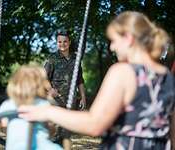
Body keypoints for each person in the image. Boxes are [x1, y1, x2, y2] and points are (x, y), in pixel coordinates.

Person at [19, 11, 175, 150]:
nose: (112, 47)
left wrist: (47, 111)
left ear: (128, 38)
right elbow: (171, 129)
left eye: (114, 40)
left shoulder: (123, 71)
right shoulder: (168, 76)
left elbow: (95, 124)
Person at [0, 64, 63, 150]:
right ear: (40, 85)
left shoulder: (6, 105)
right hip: (40, 146)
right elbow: (50, 127)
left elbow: (4, 125)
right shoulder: (43, 104)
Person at [43, 28, 86, 149]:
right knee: (55, 132)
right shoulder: (52, 58)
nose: (62, 44)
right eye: (59, 42)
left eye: (65, 41)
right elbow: (43, 78)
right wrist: (50, 89)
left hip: (71, 101)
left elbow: (80, 80)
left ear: (69, 42)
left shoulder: (75, 59)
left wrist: (82, 97)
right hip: (55, 101)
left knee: (66, 133)